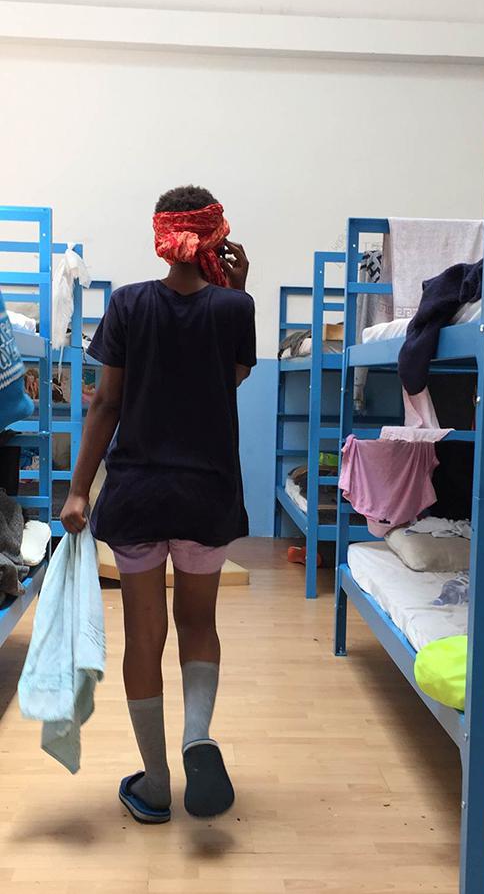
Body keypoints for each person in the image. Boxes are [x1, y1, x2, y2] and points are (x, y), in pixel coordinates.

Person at [61, 185, 255, 825]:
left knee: (145, 636)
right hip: (207, 493)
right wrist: (236, 289)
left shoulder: (127, 304)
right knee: (199, 623)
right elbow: (224, 380)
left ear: (161, 236)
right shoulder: (236, 307)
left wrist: (78, 489)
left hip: (140, 493)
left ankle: (154, 781)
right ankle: (197, 736)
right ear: (217, 237)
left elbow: (105, 403)